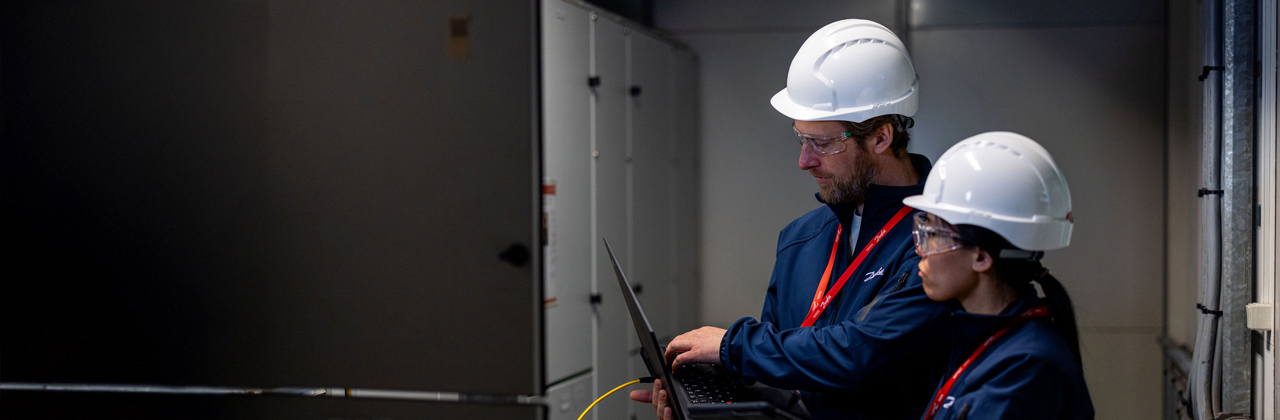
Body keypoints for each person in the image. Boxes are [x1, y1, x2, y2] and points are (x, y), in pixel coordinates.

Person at [631, 19, 953, 419]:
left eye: (822, 143)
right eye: (802, 139)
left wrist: (735, 347)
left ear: (882, 137)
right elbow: (783, 383)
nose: (804, 161)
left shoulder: (942, 241)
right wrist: (708, 403)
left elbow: (862, 353)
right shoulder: (802, 238)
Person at [903, 132, 1093, 419]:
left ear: (981, 257)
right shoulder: (983, 339)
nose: (921, 251)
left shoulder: (1026, 369)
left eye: (933, 235)